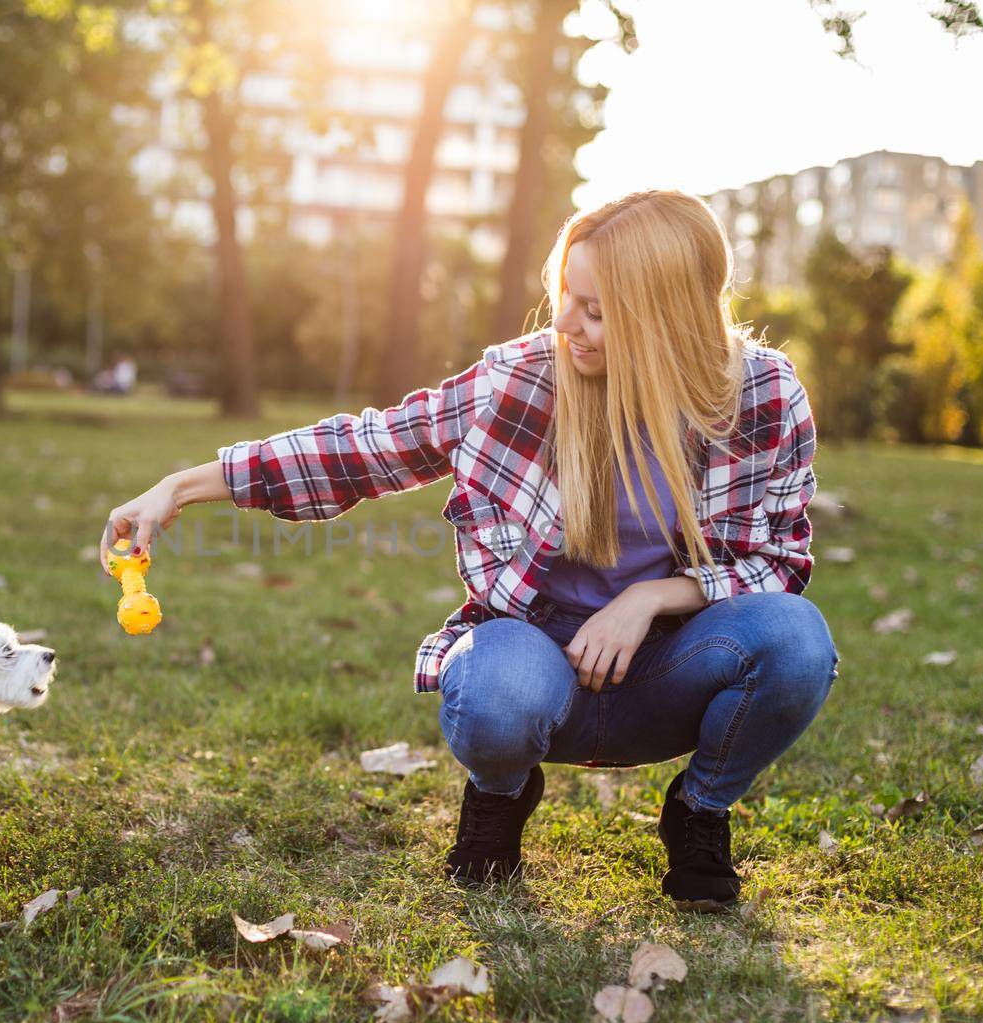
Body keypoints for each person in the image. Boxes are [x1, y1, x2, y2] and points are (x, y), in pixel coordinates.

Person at [99, 190, 838, 912]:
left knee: (797, 640)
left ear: (664, 313)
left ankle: (700, 810)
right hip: (534, 660)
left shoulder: (764, 394)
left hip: (671, 671)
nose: (568, 327)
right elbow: (366, 448)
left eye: (596, 311)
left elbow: (776, 566)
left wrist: (648, 599)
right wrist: (179, 487)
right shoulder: (524, 378)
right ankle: (501, 793)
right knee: (496, 699)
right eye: (566, 300)